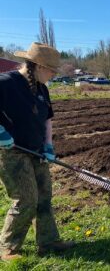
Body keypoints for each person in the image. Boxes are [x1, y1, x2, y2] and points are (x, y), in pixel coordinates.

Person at [0, 42, 75, 261]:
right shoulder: (6, 83)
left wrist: (48, 145)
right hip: (12, 152)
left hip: (36, 150)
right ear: (39, 66)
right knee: (25, 198)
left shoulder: (42, 88)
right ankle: (8, 248)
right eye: (52, 70)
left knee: (44, 196)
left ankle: (48, 241)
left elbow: (48, 119)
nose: (53, 74)